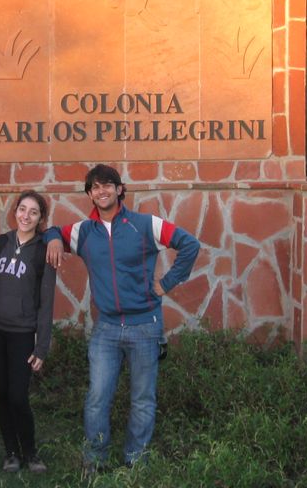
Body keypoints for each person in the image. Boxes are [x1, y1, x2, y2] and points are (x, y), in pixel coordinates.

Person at [45, 164, 200, 472]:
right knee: (97, 398)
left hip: (145, 325)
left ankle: (135, 460)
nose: (101, 191)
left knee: (142, 399)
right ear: (90, 194)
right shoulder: (84, 232)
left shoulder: (144, 224)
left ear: (119, 189)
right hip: (107, 328)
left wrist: (166, 283)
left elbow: (189, 245)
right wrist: (53, 239)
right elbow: (53, 231)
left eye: (107, 185)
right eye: (95, 187)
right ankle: (95, 460)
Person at [0, 190, 57, 474]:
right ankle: (11, 452)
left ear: (41, 218)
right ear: (15, 211)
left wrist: (42, 346)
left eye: (33, 212)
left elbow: (46, 302)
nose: (26, 216)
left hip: (22, 333)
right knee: (2, 394)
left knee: (18, 395)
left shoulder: (43, 251)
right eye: (22, 209)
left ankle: (30, 452)